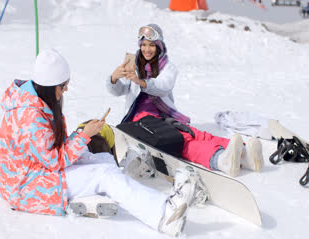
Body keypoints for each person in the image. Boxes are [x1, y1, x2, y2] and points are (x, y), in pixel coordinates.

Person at [0, 48, 198, 237]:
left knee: (101, 158)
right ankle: (164, 215)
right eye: (63, 85)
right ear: (49, 86)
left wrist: (83, 136)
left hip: (37, 174)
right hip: (29, 187)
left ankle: (106, 194)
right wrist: (84, 135)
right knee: (105, 175)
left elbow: (50, 149)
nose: (66, 89)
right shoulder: (30, 116)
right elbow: (52, 160)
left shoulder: (36, 102)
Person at [106, 24, 264, 178]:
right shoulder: (134, 66)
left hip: (162, 118)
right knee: (184, 140)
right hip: (140, 121)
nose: (147, 49)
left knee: (195, 133)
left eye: (152, 45)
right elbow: (120, 90)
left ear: (159, 46)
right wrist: (114, 78)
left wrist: (142, 82)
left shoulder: (168, 68)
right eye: (144, 45)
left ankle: (245, 154)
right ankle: (221, 159)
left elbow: (163, 87)